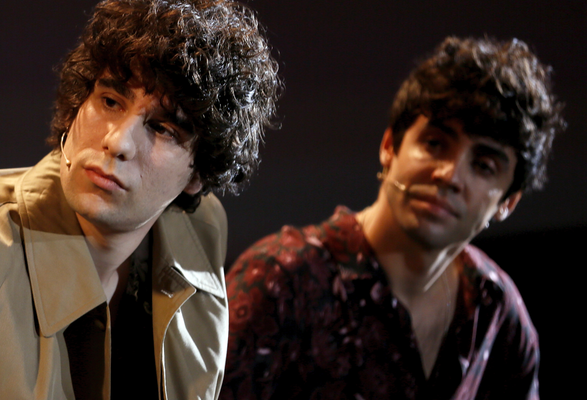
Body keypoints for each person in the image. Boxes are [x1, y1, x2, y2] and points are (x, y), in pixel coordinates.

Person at [0, 0, 280, 399]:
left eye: (162, 128)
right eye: (110, 101)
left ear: (198, 174)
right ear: (78, 103)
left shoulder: (199, 232)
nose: (117, 142)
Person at [223, 36, 564, 400]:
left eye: (483, 165)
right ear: (389, 147)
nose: (449, 175)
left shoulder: (494, 307)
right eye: (434, 143)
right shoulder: (281, 279)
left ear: (508, 203)